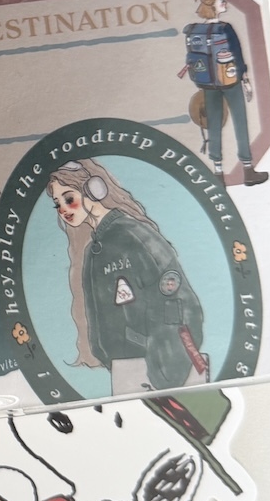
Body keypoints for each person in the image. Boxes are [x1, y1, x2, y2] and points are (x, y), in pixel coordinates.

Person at [46, 159, 208, 394]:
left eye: (68, 198)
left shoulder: (135, 235)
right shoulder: (92, 251)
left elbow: (180, 303)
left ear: (93, 190)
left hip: (159, 374)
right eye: (57, 204)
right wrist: (108, 358)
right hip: (126, 373)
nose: (63, 210)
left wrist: (165, 371)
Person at [183, 0, 268, 186]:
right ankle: (248, 170)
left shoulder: (195, 30)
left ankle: (218, 173)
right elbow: (237, 54)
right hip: (230, 81)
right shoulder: (225, 28)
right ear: (212, 4)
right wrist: (244, 78)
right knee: (240, 121)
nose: (225, 4)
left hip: (208, 83)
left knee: (214, 125)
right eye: (222, 1)